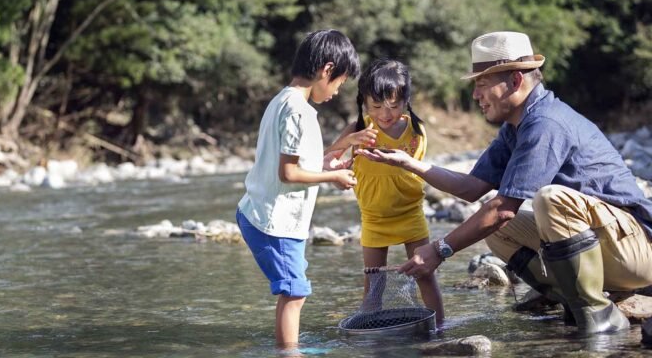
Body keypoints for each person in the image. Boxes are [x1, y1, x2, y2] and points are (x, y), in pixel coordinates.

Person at [358, 31, 652, 335]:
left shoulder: (546, 123)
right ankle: (570, 299)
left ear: (515, 80)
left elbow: (503, 209)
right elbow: (471, 188)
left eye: (482, 84)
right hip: (607, 248)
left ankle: (597, 314)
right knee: (498, 231)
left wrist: (440, 249)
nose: (475, 95)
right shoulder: (515, 126)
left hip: (637, 251)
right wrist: (409, 163)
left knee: (549, 200)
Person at [236, 29, 361, 349]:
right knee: (294, 292)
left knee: (294, 288)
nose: (336, 91)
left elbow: (293, 163)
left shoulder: (282, 100)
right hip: (274, 221)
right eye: (339, 82)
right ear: (327, 70)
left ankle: (288, 349)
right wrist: (333, 178)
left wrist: (327, 165)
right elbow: (288, 172)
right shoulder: (298, 112)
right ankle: (288, 353)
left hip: (263, 211)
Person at [326, 59, 444, 324]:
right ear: (364, 103)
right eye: (376, 106)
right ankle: (373, 334)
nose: (385, 114)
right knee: (374, 283)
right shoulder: (359, 129)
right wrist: (340, 165)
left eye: (393, 105)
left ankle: (439, 328)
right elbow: (325, 161)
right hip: (374, 218)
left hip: (410, 214)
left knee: (425, 274)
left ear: (405, 101)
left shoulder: (415, 131)